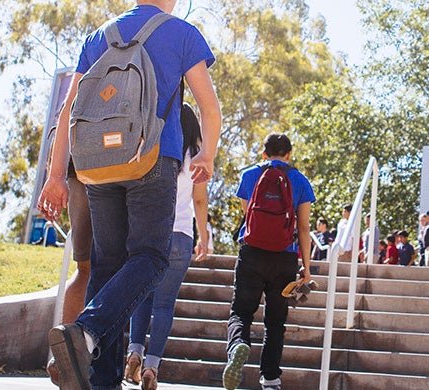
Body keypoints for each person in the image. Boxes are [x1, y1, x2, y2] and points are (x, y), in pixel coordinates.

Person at [37, 1, 221, 389]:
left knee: (107, 267)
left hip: (99, 164)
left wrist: (56, 175)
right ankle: (84, 331)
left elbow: (69, 111)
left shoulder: (98, 36)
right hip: (153, 159)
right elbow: (209, 105)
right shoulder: (182, 33)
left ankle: (103, 382)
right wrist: (206, 154)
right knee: (152, 258)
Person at [123, 106, 213, 390]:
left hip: (151, 230)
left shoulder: (157, 148)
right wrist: (204, 236)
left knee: (142, 297)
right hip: (181, 235)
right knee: (164, 304)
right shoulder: (196, 158)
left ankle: (134, 351)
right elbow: (199, 201)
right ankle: (152, 367)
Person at [224, 133, 315, 390]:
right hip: (285, 257)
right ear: (289, 154)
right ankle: (271, 378)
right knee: (275, 320)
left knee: (241, 311)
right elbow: (305, 228)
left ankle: (238, 345)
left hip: (252, 252)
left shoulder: (250, 175)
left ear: (264, 154)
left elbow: (248, 216)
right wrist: (305, 268)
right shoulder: (300, 180)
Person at [44, 128, 94, 386]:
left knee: (84, 268)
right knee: (110, 270)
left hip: (79, 168)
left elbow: (64, 119)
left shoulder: (79, 85)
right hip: (115, 169)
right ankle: (80, 354)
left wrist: (55, 176)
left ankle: (63, 354)